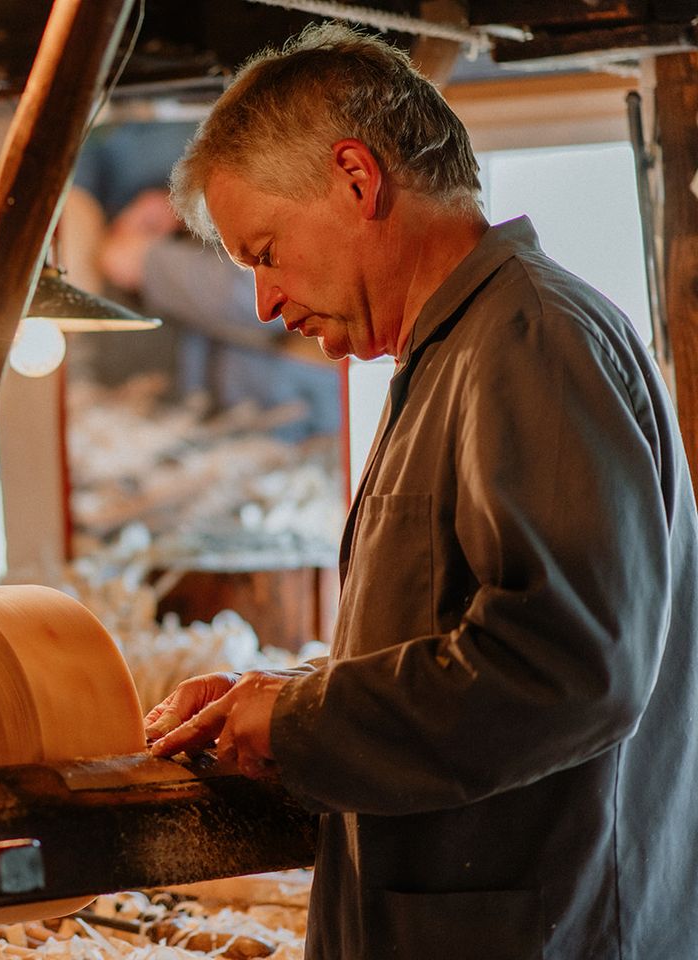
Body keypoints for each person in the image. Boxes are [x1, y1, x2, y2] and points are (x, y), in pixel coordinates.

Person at [143, 21, 698, 960]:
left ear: (358, 180)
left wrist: (300, 720)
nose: (264, 303)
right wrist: (283, 698)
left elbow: (570, 668)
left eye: (265, 251)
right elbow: (450, 645)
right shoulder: (456, 354)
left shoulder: (530, 340)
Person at [64, 120, 341, 440]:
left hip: (162, 361)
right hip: (161, 267)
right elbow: (272, 290)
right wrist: (173, 227)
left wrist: (148, 262)